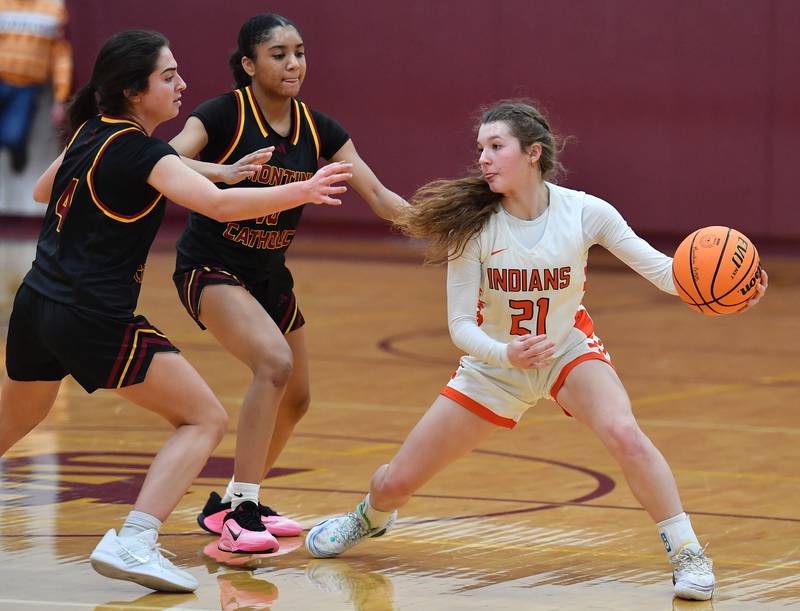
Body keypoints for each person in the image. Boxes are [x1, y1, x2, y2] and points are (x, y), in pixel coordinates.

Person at [304, 100, 769, 602]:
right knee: (395, 482)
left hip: (566, 348)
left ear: (533, 154)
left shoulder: (586, 212)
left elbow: (663, 270)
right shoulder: (476, 227)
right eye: (480, 147)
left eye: (495, 146)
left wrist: (735, 289)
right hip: (494, 366)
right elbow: (460, 326)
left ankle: (687, 553)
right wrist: (507, 355)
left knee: (624, 432)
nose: (482, 158)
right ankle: (369, 517)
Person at [0, 29, 351, 592]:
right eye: (168, 76)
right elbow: (214, 205)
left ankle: (140, 539)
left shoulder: (92, 131)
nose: (182, 84)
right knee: (203, 419)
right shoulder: (142, 151)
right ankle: (136, 540)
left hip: (36, 307)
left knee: (14, 422)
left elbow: (45, 190)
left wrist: (221, 170)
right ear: (135, 92)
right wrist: (301, 191)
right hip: (94, 314)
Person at [168, 13, 407, 553]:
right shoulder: (223, 114)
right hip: (210, 267)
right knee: (273, 365)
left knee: (296, 398)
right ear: (249, 64)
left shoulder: (319, 127)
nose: (293, 63)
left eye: (299, 52)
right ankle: (244, 509)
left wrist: (448, 224)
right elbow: (167, 159)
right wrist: (223, 173)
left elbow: (380, 197)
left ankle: (226, 505)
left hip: (269, 275)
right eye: (279, 54)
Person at [0, 0, 72, 173]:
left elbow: (60, 55)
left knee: (13, 135)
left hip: (27, 87)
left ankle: (17, 149)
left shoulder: (54, 10)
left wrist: (60, 97)